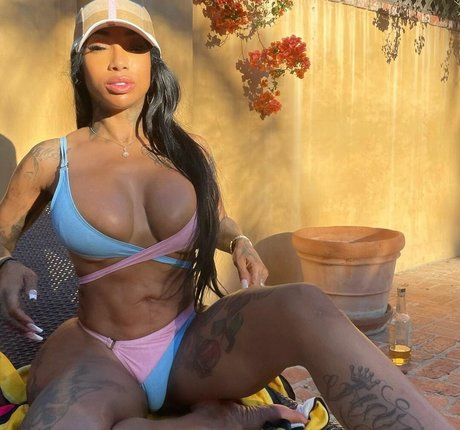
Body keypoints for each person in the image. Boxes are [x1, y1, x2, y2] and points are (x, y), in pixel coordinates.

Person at [0, 1, 454, 429]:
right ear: (79, 62)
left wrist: (240, 241)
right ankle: (208, 423)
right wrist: (8, 262)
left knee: (305, 304)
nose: (118, 62)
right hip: (101, 353)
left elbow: (218, 219)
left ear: (153, 63)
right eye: (99, 47)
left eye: (134, 47)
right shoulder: (50, 160)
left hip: (189, 344)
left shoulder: (189, 151)